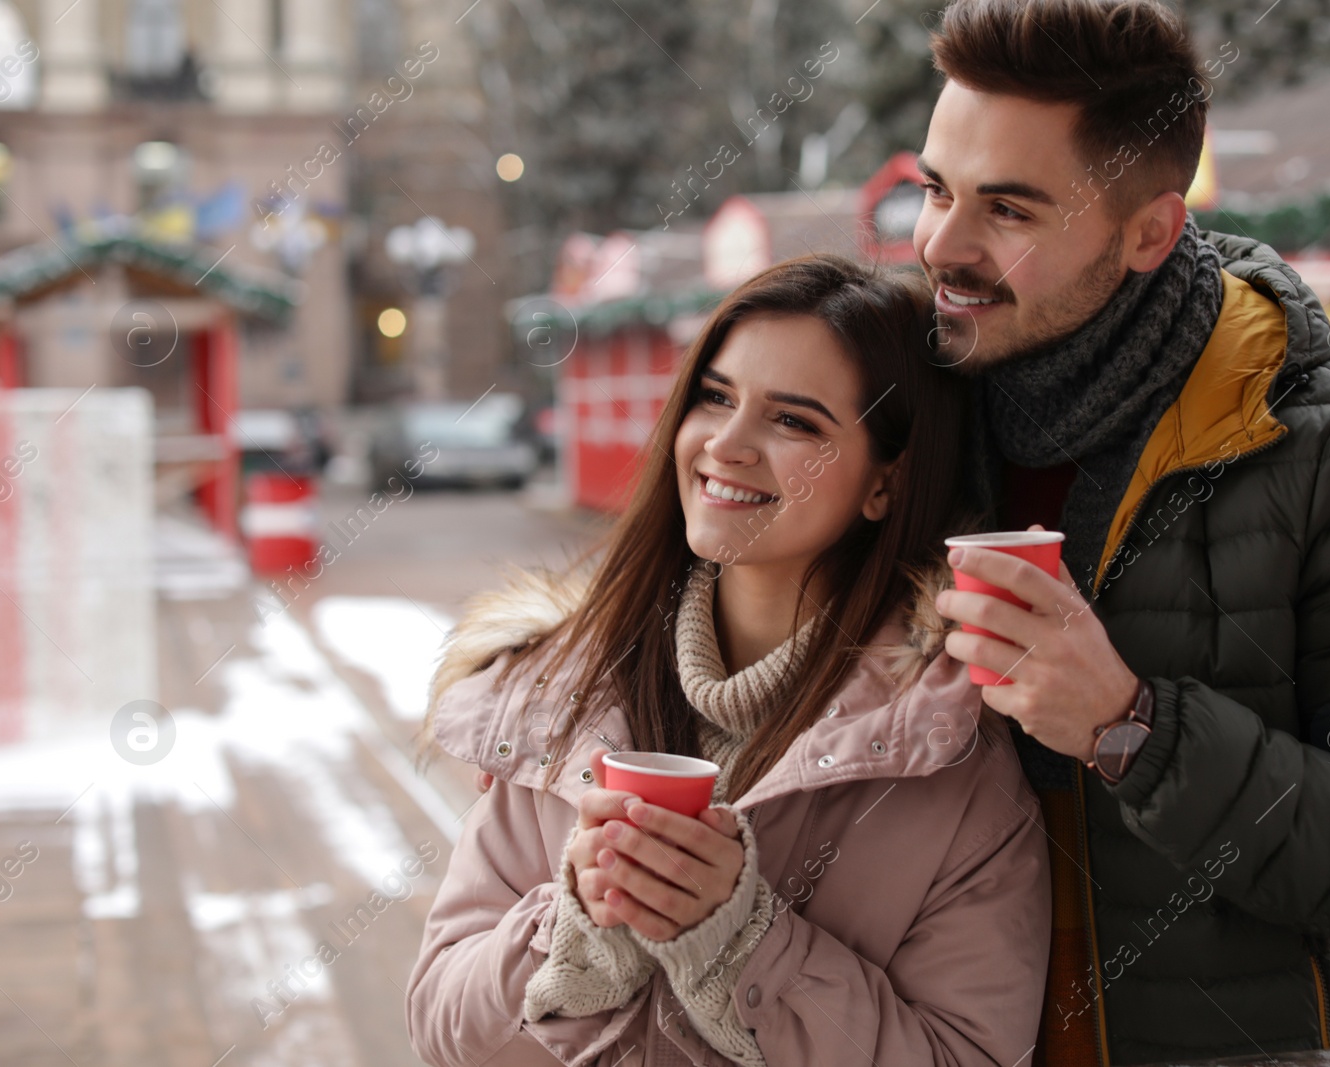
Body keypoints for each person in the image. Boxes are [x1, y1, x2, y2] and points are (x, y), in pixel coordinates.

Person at [916, 1, 1330, 1063]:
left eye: (1008, 211)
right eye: (933, 189)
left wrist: (1132, 728)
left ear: (1150, 230)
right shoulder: (901, 416)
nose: (941, 245)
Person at [406, 254, 1051, 1067]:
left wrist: (743, 944)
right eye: (716, 397)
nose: (727, 444)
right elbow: (440, 1028)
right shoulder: (553, 695)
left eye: (794, 422)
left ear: (885, 482)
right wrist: (569, 940)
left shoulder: (946, 757)